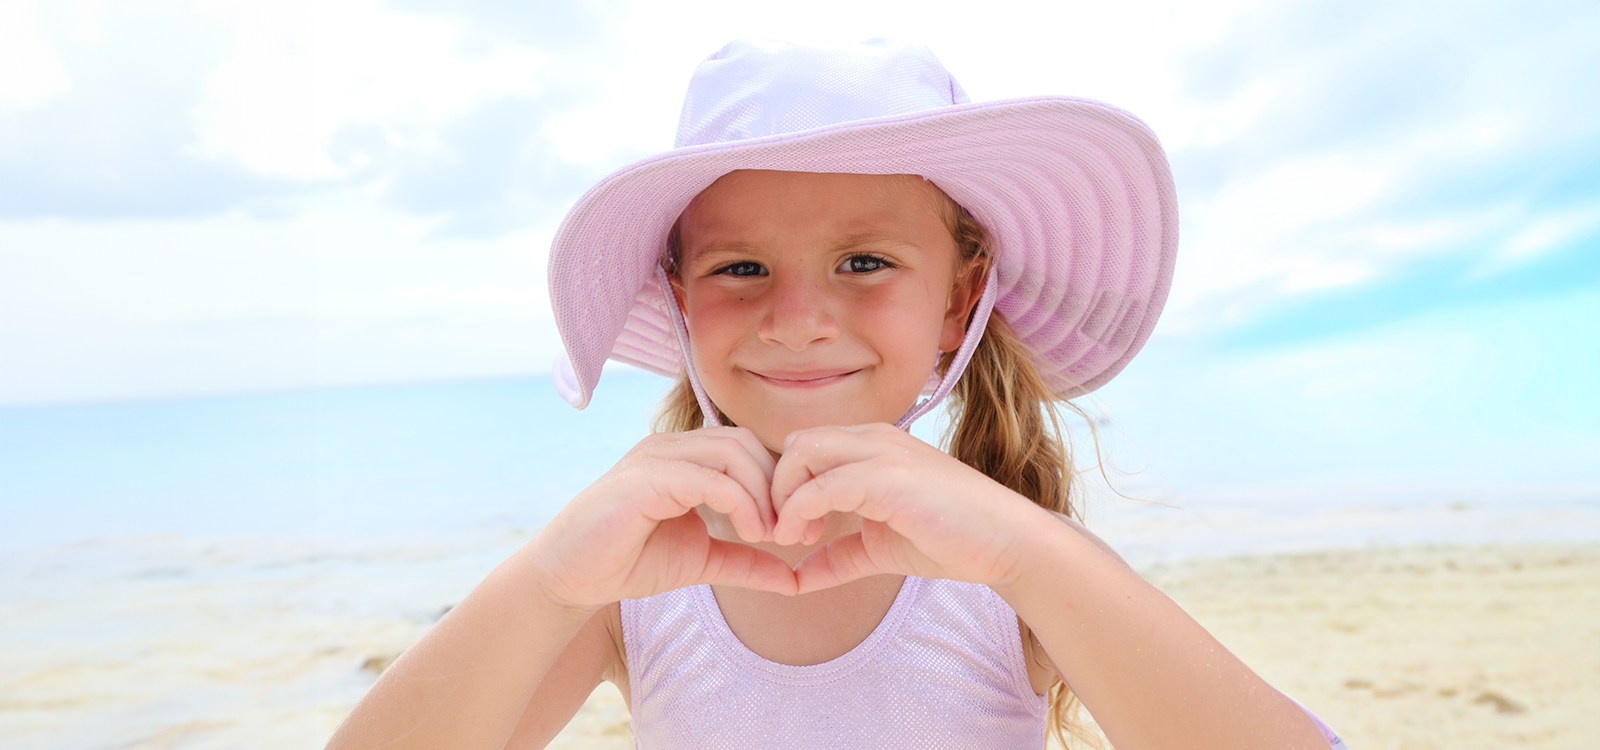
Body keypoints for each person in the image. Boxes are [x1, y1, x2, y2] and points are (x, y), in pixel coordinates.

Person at [327, 39, 1348, 750]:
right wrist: (548, 581)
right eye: (740, 270)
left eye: (863, 261)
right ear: (680, 305)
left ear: (957, 306)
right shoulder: (629, 585)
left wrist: (1024, 552)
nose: (798, 319)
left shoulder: (1005, 562)